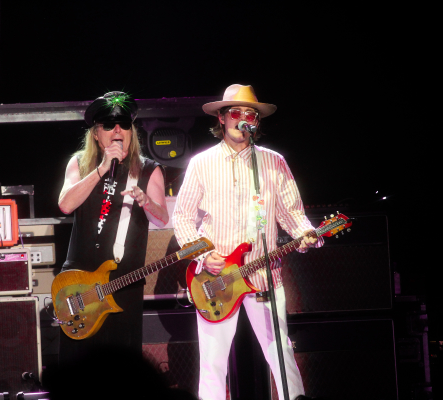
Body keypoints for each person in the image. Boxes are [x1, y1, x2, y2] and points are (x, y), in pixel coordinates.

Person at [172, 84, 323, 400]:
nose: (244, 119)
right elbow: (182, 218)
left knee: (280, 351)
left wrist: (305, 234)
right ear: (223, 118)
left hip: (263, 274)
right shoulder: (202, 163)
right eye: (237, 113)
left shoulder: (274, 162)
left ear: (256, 121)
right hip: (216, 277)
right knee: (213, 362)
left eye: (250, 114)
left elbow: (292, 213)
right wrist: (203, 256)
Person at [57, 91, 169, 365]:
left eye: (124, 125)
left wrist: (145, 202)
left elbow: (162, 218)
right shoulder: (80, 163)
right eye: (108, 125)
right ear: (96, 134)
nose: (117, 130)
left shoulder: (147, 169)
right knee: (80, 366)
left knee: (122, 368)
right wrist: (102, 168)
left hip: (123, 283)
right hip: (79, 283)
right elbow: (66, 205)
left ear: (131, 132)